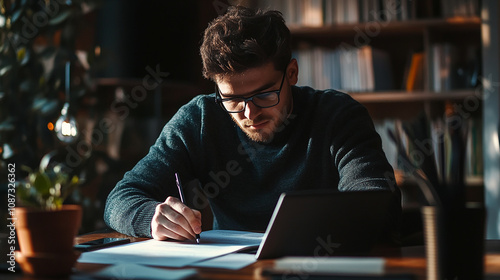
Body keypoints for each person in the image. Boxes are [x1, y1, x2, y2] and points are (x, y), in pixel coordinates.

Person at [104, 6, 401, 245]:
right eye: (232, 99)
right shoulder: (200, 119)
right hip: (232, 271)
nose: (249, 113)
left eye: (264, 94)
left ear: (292, 73)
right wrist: (152, 218)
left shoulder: (337, 115)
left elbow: (374, 201)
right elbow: (120, 198)